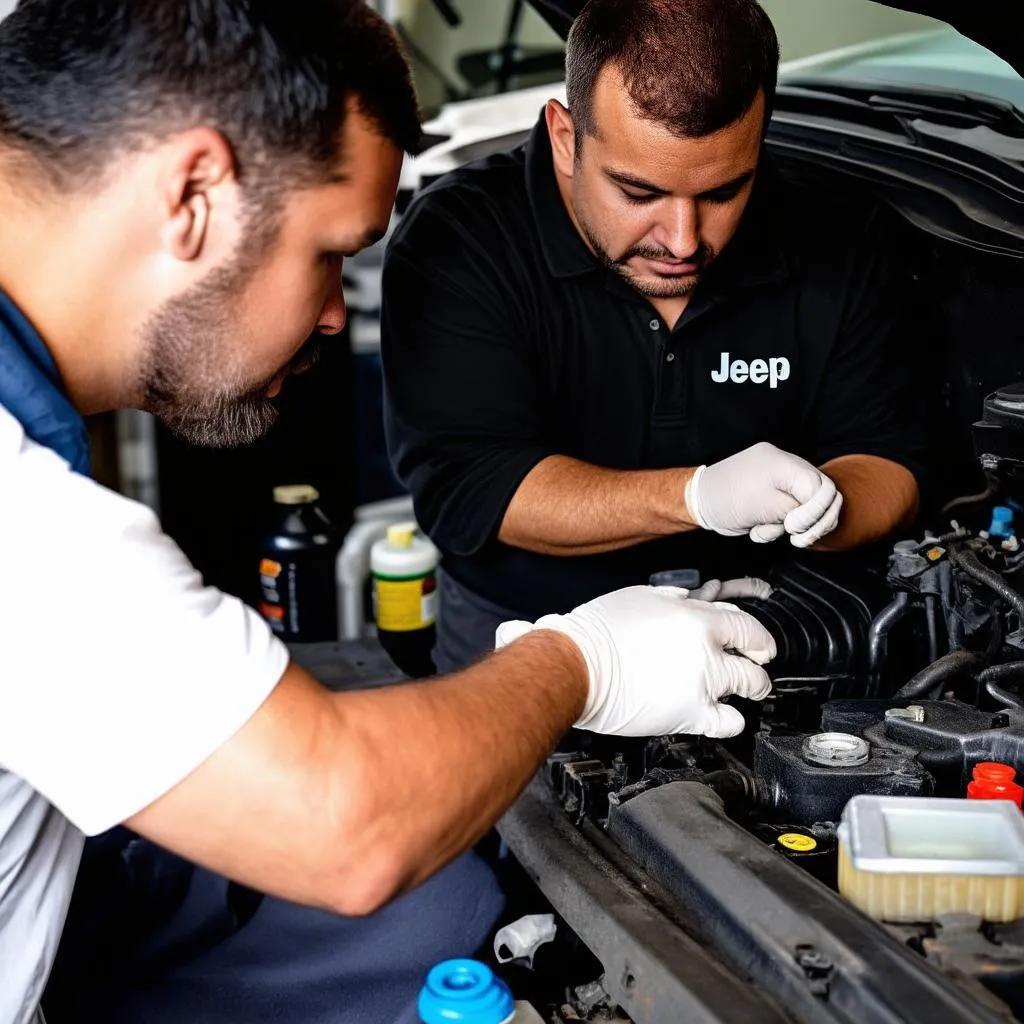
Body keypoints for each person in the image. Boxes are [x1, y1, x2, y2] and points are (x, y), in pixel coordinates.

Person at [0, 2, 779, 1022]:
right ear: (193, 191)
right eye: (329, 249)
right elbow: (346, 827)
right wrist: (585, 663)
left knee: (444, 909)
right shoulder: (26, 521)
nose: (334, 309)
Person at [382, 0, 927, 675]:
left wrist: (822, 510)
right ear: (563, 136)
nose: (682, 240)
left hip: (770, 628)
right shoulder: (463, 241)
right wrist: (700, 497)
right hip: (528, 638)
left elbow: (889, 464)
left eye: (724, 192)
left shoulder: (843, 237)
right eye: (637, 192)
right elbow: (474, 486)